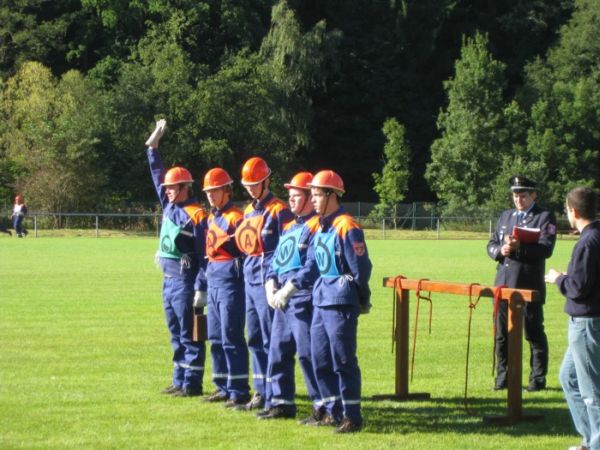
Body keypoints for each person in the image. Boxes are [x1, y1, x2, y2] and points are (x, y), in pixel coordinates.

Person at [306, 170, 372, 433]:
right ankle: (332, 412)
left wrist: (360, 296)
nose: (312, 200)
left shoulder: (347, 225)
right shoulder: (320, 224)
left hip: (341, 301)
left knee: (343, 360)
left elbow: (361, 267)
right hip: (322, 299)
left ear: (331, 196)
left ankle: (352, 416)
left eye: (317, 194)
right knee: (319, 358)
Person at [145, 119, 207, 397]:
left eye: (172, 188)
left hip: (186, 279)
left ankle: (192, 384)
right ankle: (179, 379)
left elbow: (206, 254)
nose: (167, 191)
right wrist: (155, 141)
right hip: (168, 279)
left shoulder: (197, 214)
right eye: (167, 188)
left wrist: (200, 287)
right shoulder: (170, 205)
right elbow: (157, 170)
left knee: (190, 332)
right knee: (175, 333)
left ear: (184, 187)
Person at [257, 172, 321, 420]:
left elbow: (312, 265)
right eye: (290, 196)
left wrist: (289, 288)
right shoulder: (290, 226)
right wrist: (270, 282)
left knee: (307, 354)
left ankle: (321, 406)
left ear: (309, 197)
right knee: (277, 352)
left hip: (302, 298)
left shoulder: (316, 226)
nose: (291, 200)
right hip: (282, 300)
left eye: (296, 196)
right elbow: (276, 259)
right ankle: (281, 404)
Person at [233, 157, 293, 411]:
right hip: (249, 281)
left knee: (272, 340)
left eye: (255, 183)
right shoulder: (247, 211)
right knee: (255, 338)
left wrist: (277, 283)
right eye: (248, 184)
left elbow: (286, 249)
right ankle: (260, 391)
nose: (251, 188)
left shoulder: (280, 210)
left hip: (269, 283)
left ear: (267, 180)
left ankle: (276, 394)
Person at [486, 175, 557, 392]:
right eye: (515, 196)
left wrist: (519, 249)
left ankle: (537, 379)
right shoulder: (506, 216)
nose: (518, 200)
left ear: (533, 195)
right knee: (501, 335)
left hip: (528, 285)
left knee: (533, 333)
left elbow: (546, 249)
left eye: (523, 196)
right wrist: (501, 251)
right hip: (504, 286)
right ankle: (503, 377)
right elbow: (491, 244)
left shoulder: (544, 217)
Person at [546, 187, 600, 450]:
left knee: (591, 392)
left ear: (573, 211)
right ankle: (590, 440)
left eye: (566, 210)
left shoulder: (589, 241)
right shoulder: (595, 236)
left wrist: (558, 278)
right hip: (588, 322)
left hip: (587, 323)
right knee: (569, 378)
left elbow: (577, 288)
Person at [201, 167, 251, 407]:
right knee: (215, 336)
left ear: (226, 190)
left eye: (215, 190)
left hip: (231, 283)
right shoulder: (212, 217)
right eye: (208, 191)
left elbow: (245, 251)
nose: (211, 195)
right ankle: (222, 385)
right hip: (213, 281)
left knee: (231, 335)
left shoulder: (236, 217)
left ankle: (239, 389)